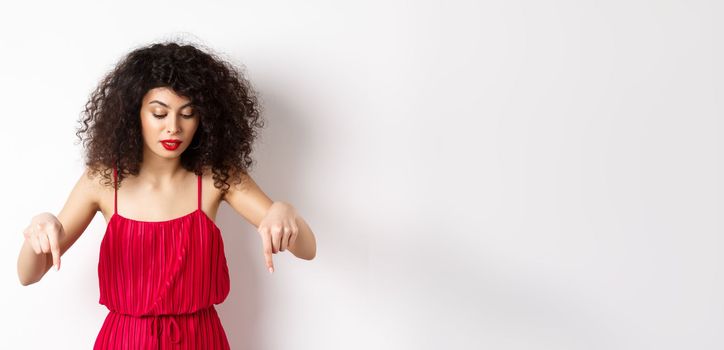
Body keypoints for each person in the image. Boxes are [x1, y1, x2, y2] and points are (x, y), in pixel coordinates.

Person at [16, 40, 317, 349]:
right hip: (125, 341)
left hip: (201, 341)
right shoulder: (103, 181)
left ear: (203, 118)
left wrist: (284, 210)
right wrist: (40, 226)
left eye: (187, 114)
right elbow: (28, 275)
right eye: (159, 114)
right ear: (135, 114)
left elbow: (307, 249)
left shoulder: (217, 178)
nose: (173, 128)